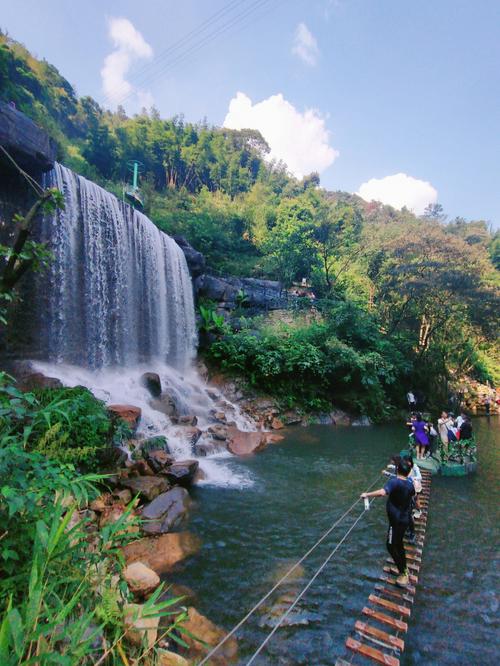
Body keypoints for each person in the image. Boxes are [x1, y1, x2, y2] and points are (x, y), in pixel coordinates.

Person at [361, 459, 415, 587]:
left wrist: (366, 495)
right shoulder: (410, 484)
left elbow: (382, 492)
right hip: (404, 519)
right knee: (398, 544)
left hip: (396, 521)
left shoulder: (394, 482)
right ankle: (403, 568)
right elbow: (412, 496)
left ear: (397, 470)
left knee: (391, 546)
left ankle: (403, 572)